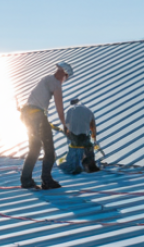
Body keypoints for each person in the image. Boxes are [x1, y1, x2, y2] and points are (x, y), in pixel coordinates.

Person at [19, 62, 71, 190]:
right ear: (63, 74)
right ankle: (47, 180)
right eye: (66, 77)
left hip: (26, 114)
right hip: (37, 115)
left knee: (35, 148)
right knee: (49, 150)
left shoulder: (45, 79)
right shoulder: (56, 83)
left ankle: (26, 180)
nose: (65, 80)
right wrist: (65, 125)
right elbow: (59, 106)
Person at [60, 98, 100, 175]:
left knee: (73, 150)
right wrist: (94, 138)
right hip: (85, 135)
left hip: (74, 135)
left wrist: (67, 135)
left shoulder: (70, 110)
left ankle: (74, 166)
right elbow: (92, 126)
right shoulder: (88, 110)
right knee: (89, 149)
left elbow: (66, 125)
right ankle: (91, 166)